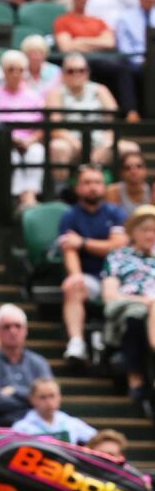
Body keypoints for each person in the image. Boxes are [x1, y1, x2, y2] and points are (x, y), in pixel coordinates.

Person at [60, 164, 128, 364]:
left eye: (97, 182)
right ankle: (76, 343)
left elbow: (117, 246)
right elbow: (69, 250)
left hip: (117, 277)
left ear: (104, 187)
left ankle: (116, 345)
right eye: (87, 183)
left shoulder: (116, 213)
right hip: (90, 277)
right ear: (78, 188)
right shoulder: (70, 216)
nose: (93, 187)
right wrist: (75, 275)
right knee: (73, 286)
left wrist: (83, 242)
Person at [101, 205, 155, 412]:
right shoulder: (118, 257)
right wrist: (145, 301)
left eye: (154, 230)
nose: (150, 234)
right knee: (137, 316)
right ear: (133, 232)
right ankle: (136, 377)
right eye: (145, 229)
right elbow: (110, 294)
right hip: (129, 306)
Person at [0, 50, 47, 207]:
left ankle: (30, 194)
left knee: (37, 152)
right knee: (11, 156)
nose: (16, 74)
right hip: (5, 141)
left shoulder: (34, 96)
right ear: (4, 71)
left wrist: (31, 140)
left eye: (20, 69)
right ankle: (18, 197)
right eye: (11, 69)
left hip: (30, 141)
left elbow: (42, 125)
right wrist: (12, 139)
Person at [0, 304, 53, 425]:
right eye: (7, 327)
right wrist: (32, 398)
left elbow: (49, 396)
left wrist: (14, 390)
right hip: (3, 428)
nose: (13, 331)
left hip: (39, 428)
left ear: (26, 330)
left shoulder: (39, 362)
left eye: (18, 326)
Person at [10, 377, 97, 445]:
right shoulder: (21, 428)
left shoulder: (71, 423)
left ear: (59, 397)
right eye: (42, 397)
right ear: (32, 399)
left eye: (52, 396)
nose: (48, 402)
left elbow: (99, 439)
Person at [105, 150, 151, 214]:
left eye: (139, 166)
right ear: (122, 172)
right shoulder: (112, 192)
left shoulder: (152, 192)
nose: (133, 171)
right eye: (128, 168)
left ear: (146, 170)